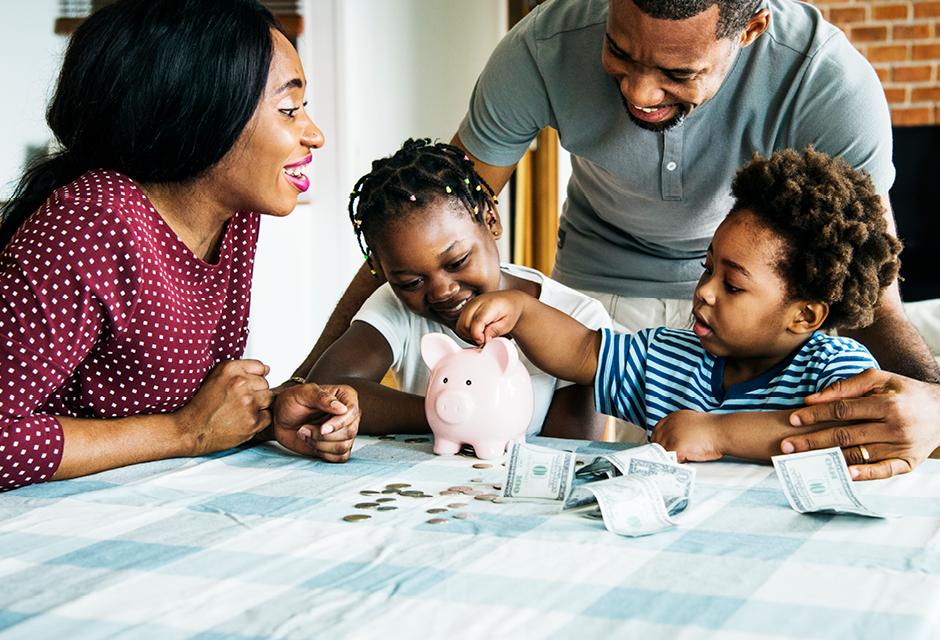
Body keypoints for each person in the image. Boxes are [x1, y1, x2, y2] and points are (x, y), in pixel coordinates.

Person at [299, 0, 940, 477]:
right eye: (620, 53)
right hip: (596, 296)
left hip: (759, 306)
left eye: (678, 71)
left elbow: (870, 294)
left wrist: (935, 406)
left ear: (750, 30)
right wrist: (299, 388)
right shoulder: (541, 48)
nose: (638, 92)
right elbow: (430, 213)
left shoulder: (827, 81)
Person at [0, 0, 359, 492]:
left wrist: (273, 410)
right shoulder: (93, 223)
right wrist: (183, 433)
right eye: (288, 109)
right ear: (202, 112)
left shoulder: (234, 219)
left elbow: (198, 412)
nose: (314, 134)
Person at [456, 148, 902, 467]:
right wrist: (522, 311)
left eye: (733, 285)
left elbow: (836, 437)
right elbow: (583, 352)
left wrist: (717, 433)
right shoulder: (669, 357)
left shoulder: (836, 371)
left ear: (804, 316)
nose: (705, 291)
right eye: (708, 269)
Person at [279, 139, 611, 441]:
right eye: (411, 282)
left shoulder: (578, 318)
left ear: (491, 220)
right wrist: (445, 413)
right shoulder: (396, 304)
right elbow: (328, 389)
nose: (441, 291)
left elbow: (571, 450)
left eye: (457, 261)